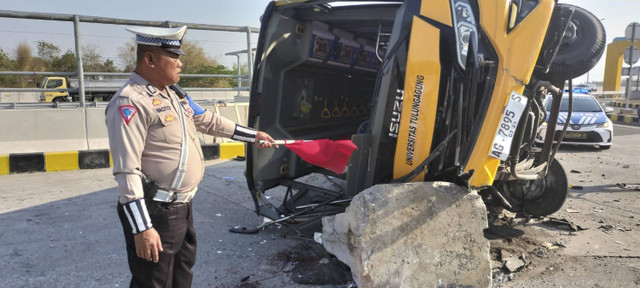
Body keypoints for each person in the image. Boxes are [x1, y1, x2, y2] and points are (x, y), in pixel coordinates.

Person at [105, 25, 277, 288]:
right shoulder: (130, 102)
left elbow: (207, 120)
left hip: (181, 207)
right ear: (150, 59)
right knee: (153, 281)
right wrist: (142, 228)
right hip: (155, 211)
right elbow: (127, 171)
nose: (180, 64)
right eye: (173, 58)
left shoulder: (174, 94)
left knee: (181, 275)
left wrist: (253, 136)